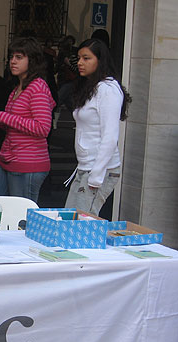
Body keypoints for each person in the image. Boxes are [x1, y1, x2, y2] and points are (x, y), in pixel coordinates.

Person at [65, 38, 131, 216]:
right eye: (78, 58)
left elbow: (110, 136)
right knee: (70, 219)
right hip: (85, 167)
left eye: (86, 58)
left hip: (98, 169)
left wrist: (96, 175)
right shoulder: (91, 87)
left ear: (100, 61)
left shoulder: (108, 89)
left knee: (81, 224)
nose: (80, 63)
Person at [0, 37, 55, 203]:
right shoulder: (18, 88)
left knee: (21, 219)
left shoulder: (37, 87)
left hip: (28, 164)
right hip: (7, 159)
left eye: (19, 57)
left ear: (32, 61)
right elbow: (14, 125)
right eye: (11, 57)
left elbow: (42, 127)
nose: (12, 62)